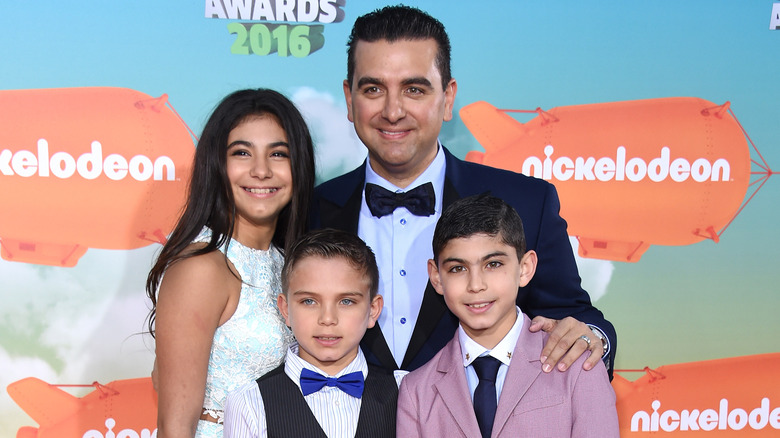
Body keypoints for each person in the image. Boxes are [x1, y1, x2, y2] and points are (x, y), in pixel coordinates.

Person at [310, 5, 617, 377]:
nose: (392, 111)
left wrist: (591, 337)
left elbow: (575, 318)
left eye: (414, 89)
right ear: (349, 98)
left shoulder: (526, 203)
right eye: (373, 88)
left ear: (448, 97)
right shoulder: (307, 212)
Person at [146, 88, 315, 438]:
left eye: (278, 154)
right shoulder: (203, 267)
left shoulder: (286, 263)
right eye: (242, 152)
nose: (261, 171)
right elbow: (174, 427)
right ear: (217, 165)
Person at [397, 194, 619, 438]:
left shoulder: (577, 365)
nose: (476, 285)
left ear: (525, 268)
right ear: (437, 277)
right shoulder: (416, 390)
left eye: (493, 264)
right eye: (458, 268)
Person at [222, 228, 397, 438]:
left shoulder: (405, 390)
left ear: (373, 310)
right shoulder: (250, 403)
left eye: (346, 301)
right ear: (285, 309)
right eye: (309, 301)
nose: (328, 318)